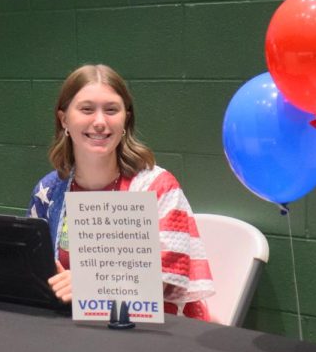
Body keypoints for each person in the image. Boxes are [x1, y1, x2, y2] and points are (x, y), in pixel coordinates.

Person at [28, 64, 214, 319]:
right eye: (86, 109)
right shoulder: (49, 190)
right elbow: (36, 270)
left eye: (112, 110)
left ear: (126, 118)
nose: (100, 122)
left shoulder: (157, 187)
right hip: (68, 330)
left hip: (148, 334)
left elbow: (170, 277)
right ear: (64, 120)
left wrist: (90, 284)